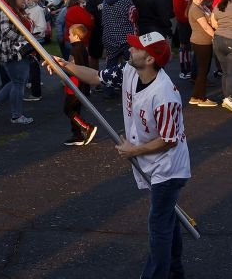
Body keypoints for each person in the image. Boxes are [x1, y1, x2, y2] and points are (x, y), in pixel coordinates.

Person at [55, 31, 190, 279]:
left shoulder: (165, 95)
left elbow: (169, 140)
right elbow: (96, 77)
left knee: (158, 225)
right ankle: (174, 271)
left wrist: (134, 150)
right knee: (167, 220)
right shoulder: (129, 71)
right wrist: (67, 66)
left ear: (150, 59)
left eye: (137, 48)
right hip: (150, 160)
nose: (130, 50)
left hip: (168, 168)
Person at [0, 0, 37, 125]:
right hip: (12, 53)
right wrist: (26, 38)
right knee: (18, 83)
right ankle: (16, 115)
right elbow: (5, 31)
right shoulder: (6, 12)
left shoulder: (20, 12)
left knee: (18, 82)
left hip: (23, 52)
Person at [61, 23, 97, 146]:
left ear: (76, 36)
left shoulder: (75, 49)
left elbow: (71, 67)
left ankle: (86, 127)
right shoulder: (81, 47)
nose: (68, 36)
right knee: (75, 109)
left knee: (68, 109)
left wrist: (60, 67)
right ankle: (77, 134)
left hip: (75, 85)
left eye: (70, 34)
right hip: (78, 84)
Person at [184, 0, 216, 108]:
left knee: (203, 70)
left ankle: (195, 96)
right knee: (203, 70)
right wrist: (216, 37)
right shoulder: (195, 9)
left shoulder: (201, 7)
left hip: (203, 42)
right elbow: (206, 27)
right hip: (201, 42)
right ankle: (201, 98)